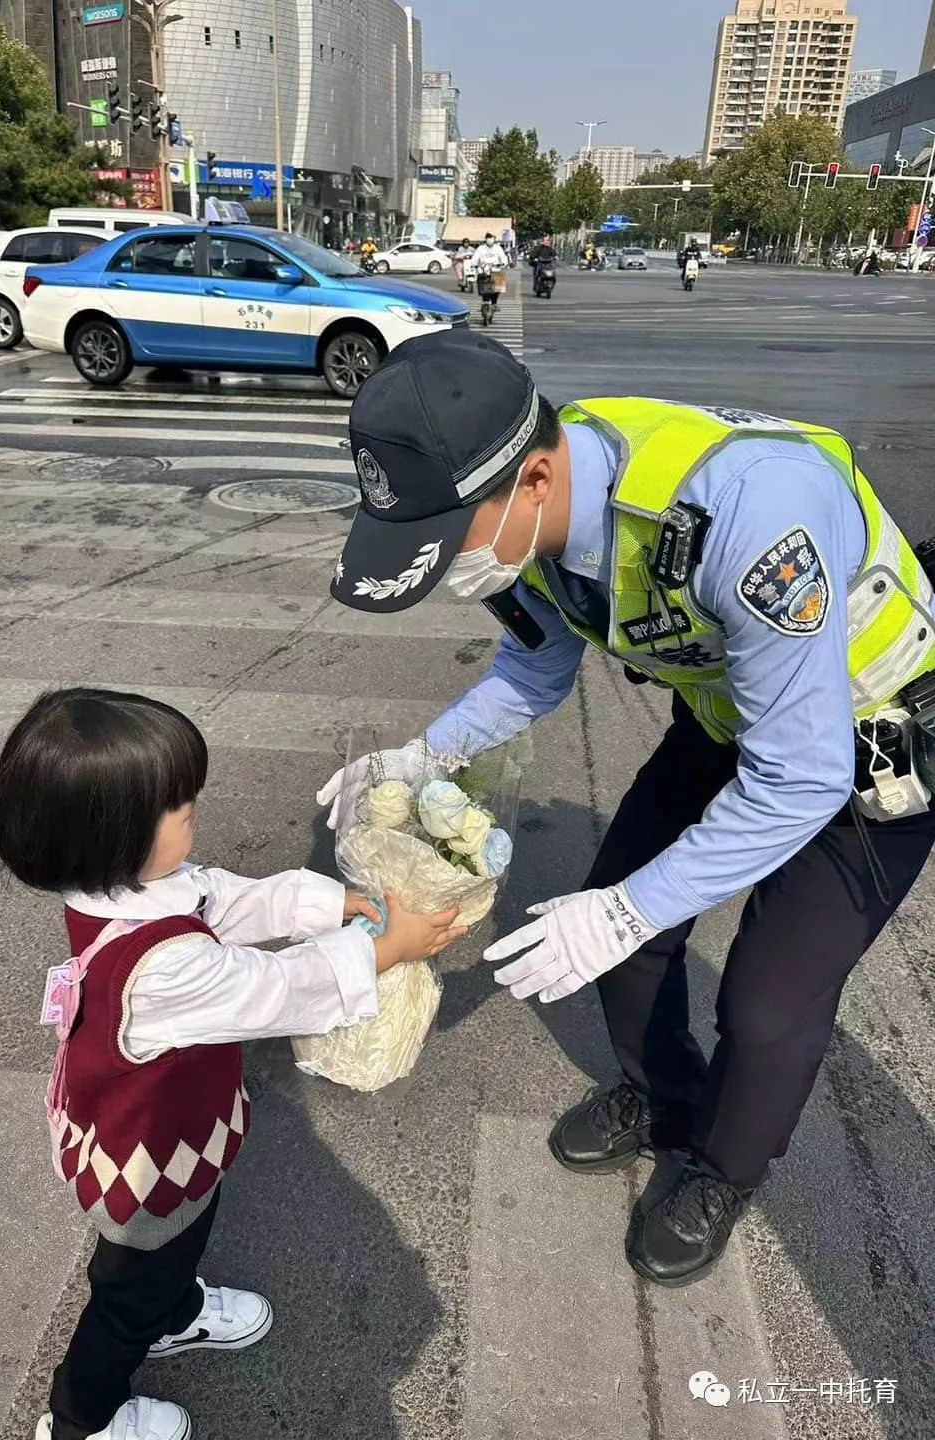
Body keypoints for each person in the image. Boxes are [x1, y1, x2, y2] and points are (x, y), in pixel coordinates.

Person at [320, 330, 935, 1288]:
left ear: (530, 479)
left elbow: (802, 777)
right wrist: (423, 753)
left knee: (768, 1002)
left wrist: (631, 907)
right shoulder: (537, 520)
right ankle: (665, 1100)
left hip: (869, 752)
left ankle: (722, 1172)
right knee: (616, 910)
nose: (448, 570)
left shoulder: (746, 513)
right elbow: (534, 664)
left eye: (447, 542)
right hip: (732, 714)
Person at [0, 687, 464, 1440]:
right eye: (180, 805)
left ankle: (173, 1313)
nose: (195, 810)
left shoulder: (121, 889)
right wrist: (384, 951)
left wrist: (332, 905)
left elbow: (223, 899)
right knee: (126, 1293)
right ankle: (83, 1417)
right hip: (143, 1166)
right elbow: (276, 988)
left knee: (178, 1244)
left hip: (166, 1132)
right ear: (118, 836)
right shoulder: (166, 967)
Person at [472, 232, 509, 311]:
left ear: (494, 239)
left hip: (495, 269)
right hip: (483, 270)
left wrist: (503, 263)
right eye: (488, 238)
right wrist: (474, 264)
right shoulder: (481, 248)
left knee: (497, 287)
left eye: (491, 238)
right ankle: (485, 302)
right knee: (482, 286)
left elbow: (503, 257)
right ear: (485, 239)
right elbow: (475, 258)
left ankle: (494, 303)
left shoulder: (498, 248)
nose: (489, 240)